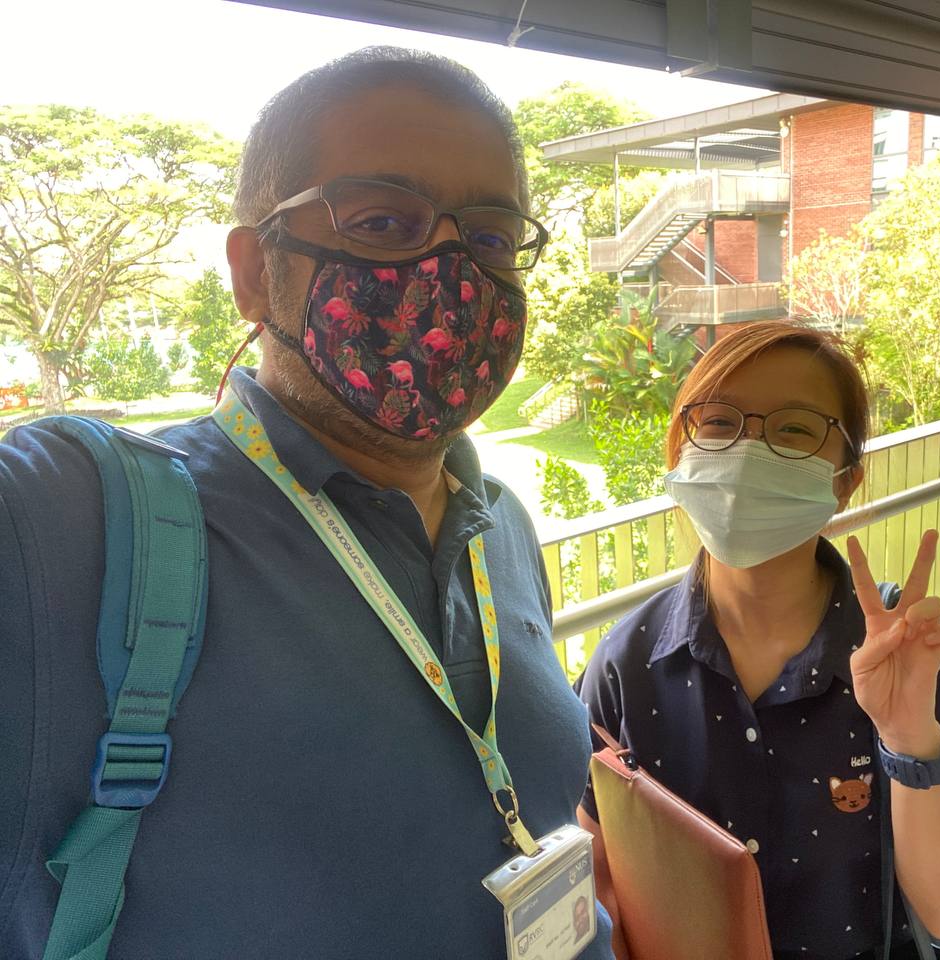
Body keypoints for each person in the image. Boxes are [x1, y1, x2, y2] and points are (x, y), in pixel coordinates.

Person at [0, 47, 613, 959]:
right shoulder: (68, 520)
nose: (449, 270)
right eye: (380, 221)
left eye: (488, 237)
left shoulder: (503, 527)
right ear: (253, 272)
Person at [576, 321, 940, 960]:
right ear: (681, 447)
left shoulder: (910, 652)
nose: (746, 452)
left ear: (845, 479)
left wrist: (907, 737)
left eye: (793, 429)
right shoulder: (628, 660)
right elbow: (598, 873)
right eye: (720, 422)